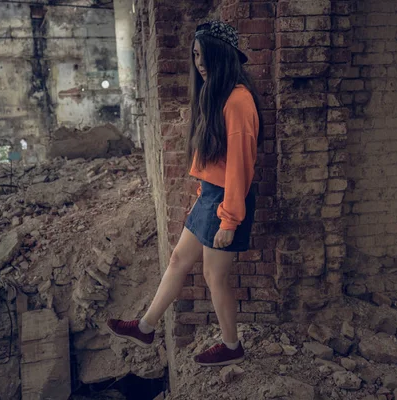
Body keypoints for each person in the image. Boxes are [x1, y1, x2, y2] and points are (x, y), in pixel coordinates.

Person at [107, 20, 263, 367]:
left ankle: (231, 345)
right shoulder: (216, 95)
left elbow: (240, 167)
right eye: (195, 55)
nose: (200, 63)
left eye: (205, 55)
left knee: (214, 275)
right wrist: (201, 192)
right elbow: (216, 159)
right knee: (178, 260)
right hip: (210, 197)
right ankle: (146, 328)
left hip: (226, 201)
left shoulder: (238, 101)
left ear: (224, 57)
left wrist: (229, 219)